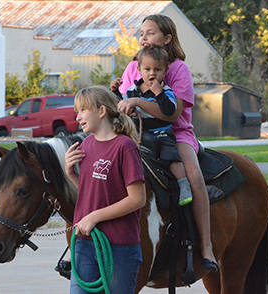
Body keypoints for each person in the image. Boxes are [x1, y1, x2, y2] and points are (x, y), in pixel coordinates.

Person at [115, 14, 219, 272]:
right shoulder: (133, 66)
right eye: (141, 33)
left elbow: (172, 113)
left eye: (150, 33)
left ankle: (206, 247)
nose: (143, 37)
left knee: (194, 176)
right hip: (137, 132)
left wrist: (138, 102)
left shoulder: (178, 69)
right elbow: (125, 98)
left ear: (167, 38)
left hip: (175, 133)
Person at [64, 86, 146, 294]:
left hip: (118, 246)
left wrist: (94, 217)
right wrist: (71, 173)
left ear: (101, 111)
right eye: (77, 112)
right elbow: (93, 192)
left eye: (83, 110)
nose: (78, 117)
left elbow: (137, 199)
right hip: (84, 243)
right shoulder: (87, 145)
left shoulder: (125, 147)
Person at [111, 45, 192, 206]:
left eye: (157, 69)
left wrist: (159, 94)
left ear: (165, 70)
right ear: (139, 70)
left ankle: (184, 184)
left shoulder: (166, 91)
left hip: (161, 133)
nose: (152, 73)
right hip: (140, 133)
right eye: (147, 69)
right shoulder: (133, 90)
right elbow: (122, 105)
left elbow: (169, 111)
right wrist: (114, 92)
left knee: (171, 159)